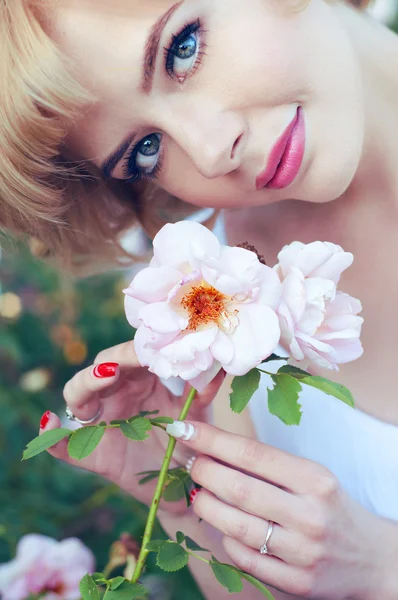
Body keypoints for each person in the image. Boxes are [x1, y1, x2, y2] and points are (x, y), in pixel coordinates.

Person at [1, 0, 398, 597]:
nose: (212, 151)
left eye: (183, 47)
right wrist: (196, 507)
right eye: (145, 151)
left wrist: (383, 570)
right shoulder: (215, 305)